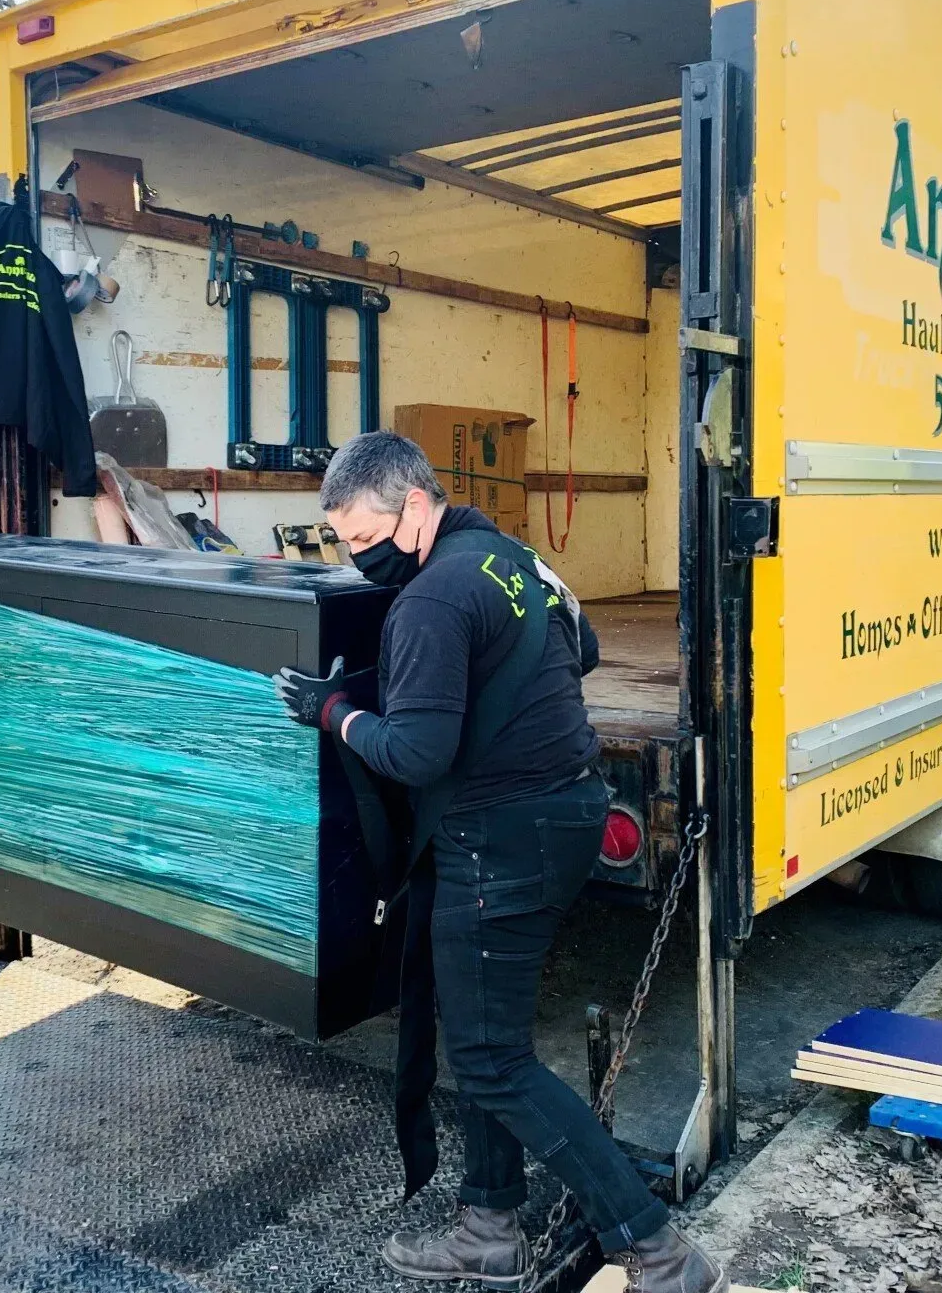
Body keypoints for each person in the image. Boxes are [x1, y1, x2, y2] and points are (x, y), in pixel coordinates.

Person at [273, 431, 727, 1293]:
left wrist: (331, 710)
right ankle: (489, 1226)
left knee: (489, 1061)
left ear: (413, 507)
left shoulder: (430, 602)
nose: (355, 558)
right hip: (563, 814)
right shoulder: (509, 556)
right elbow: (584, 648)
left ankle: (656, 1249)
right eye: (342, 543)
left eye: (364, 540)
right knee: (484, 1033)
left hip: (500, 844)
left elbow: (414, 755)